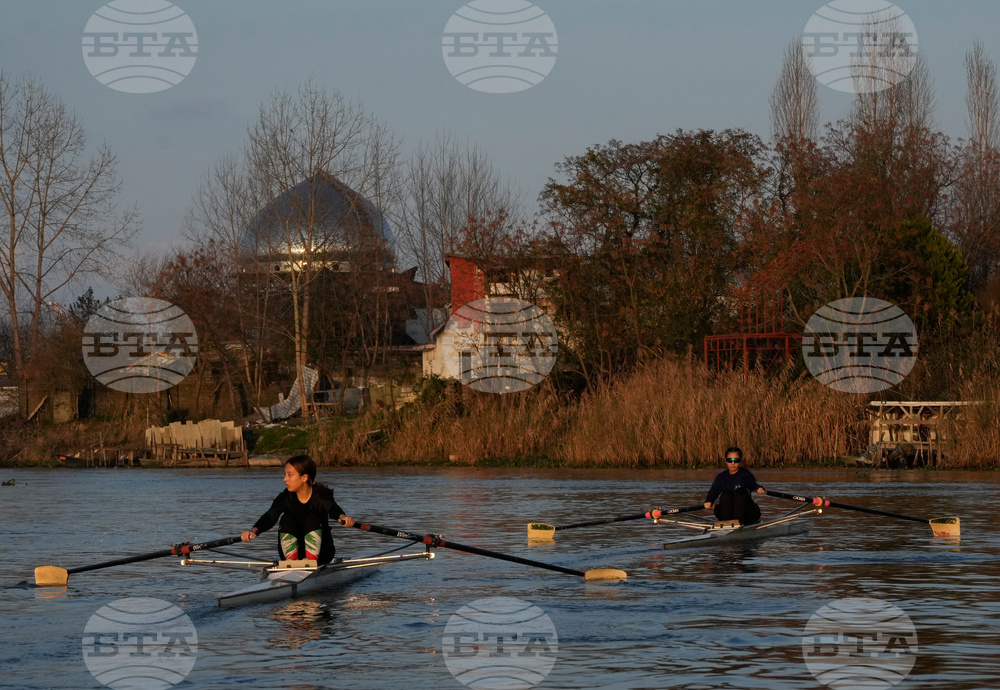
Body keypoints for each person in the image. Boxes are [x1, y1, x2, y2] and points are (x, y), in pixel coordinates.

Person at [241, 455, 355, 565]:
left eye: (289, 475)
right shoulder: (285, 496)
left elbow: (332, 507)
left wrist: (343, 517)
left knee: (312, 518)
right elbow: (270, 516)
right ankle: (292, 562)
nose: (285, 479)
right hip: (292, 555)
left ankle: (310, 562)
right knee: (287, 520)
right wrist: (253, 531)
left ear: (304, 477)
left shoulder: (321, 494)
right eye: (285, 474)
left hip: (322, 553)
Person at [703, 446, 766, 525]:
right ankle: (727, 524)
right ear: (726, 461)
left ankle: (738, 523)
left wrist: (758, 488)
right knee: (726, 495)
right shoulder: (721, 477)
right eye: (730, 460)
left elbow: (752, 484)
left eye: (736, 460)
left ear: (740, 461)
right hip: (727, 515)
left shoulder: (745, 475)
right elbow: (713, 491)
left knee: (739, 493)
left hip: (746, 515)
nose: (733, 463)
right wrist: (709, 501)